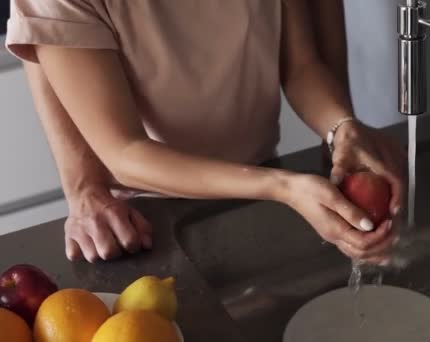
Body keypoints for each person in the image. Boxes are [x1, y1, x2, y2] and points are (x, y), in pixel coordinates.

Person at [6, 0, 404, 264]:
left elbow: (302, 66)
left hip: (257, 190)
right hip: (147, 218)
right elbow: (125, 152)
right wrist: (283, 187)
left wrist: (340, 127)